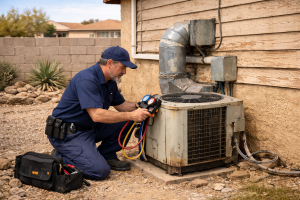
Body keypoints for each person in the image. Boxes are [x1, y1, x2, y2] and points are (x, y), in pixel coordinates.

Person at [47, 46, 151, 180]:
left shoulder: (110, 81)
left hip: (89, 128)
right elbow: (96, 115)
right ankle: (60, 156)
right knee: (100, 171)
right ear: (109, 63)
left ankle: (107, 154)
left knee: (128, 120)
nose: (124, 72)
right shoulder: (87, 80)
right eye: (122, 67)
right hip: (69, 134)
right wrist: (132, 114)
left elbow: (121, 106)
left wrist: (139, 106)